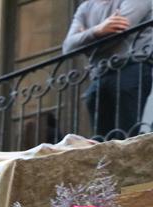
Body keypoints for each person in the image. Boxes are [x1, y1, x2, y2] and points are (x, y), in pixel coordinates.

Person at [62, 0, 153, 139]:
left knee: (128, 138)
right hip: (99, 76)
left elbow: (117, 35)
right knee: (103, 142)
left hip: (131, 68)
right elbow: (68, 47)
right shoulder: (85, 7)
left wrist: (85, 39)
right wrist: (98, 30)